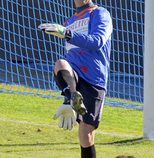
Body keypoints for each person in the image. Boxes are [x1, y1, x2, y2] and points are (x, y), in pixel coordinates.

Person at [38, 0, 113, 157]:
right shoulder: (69, 21)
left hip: (94, 77)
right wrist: (66, 31)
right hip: (74, 72)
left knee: (85, 135)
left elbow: (97, 41)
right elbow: (70, 52)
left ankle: (71, 100)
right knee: (60, 63)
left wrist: (67, 33)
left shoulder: (100, 13)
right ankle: (71, 98)